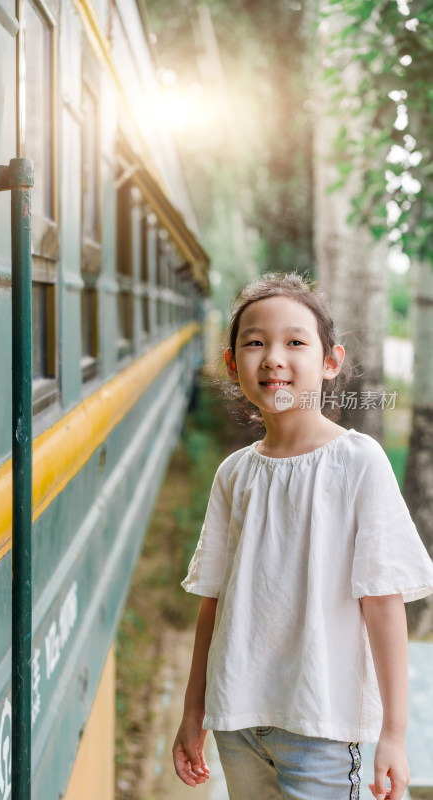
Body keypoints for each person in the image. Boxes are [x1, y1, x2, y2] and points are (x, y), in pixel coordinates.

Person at [172, 273, 433, 800]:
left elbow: (383, 601)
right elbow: (213, 603)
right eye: (254, 342)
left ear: (329, 361)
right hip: (239, 721)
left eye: (295, 342)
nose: (273, 357)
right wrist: (193, 711)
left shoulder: (359, 462)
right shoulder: (234, 474)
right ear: (232, 363)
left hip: (325, 726)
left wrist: (394, 734)